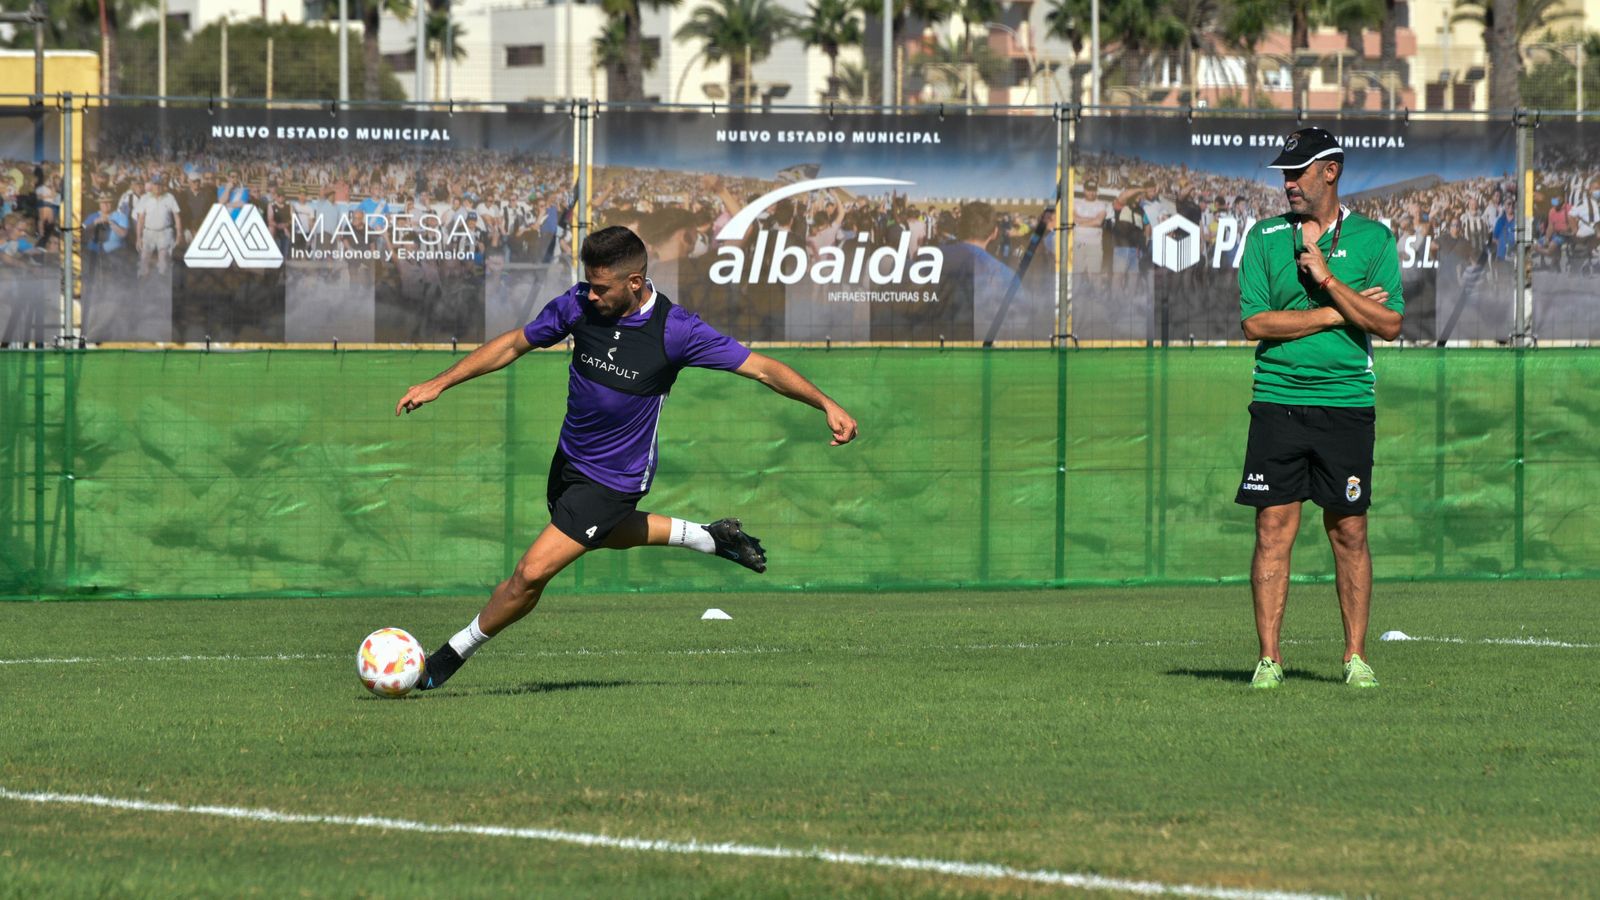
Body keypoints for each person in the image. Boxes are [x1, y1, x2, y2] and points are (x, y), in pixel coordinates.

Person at [394, 225, 859, 691]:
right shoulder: (577, 304)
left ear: (634, 283)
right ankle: (707, 538)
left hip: (614, 478)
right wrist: (440, 382)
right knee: (595, 535)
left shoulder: (675, 331)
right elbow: (516, 343)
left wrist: (826, 403)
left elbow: (762, 368)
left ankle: (445, 659)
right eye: (589, 284)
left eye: (602, 287)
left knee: (531, 573)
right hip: (569, 461)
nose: (591, 295)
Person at [1234, 127, 1404, 690]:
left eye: (1298, 172)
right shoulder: (1262, 238)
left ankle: (1355, 658)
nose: (1288, 183)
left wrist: (1327, 280)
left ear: (1329, 171)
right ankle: (1269, 660)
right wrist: (1339, 313)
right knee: (1272, 528)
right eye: (1284, 173)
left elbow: (1390, 324)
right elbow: (1256, 323)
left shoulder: (1375, 240)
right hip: (1278, 402)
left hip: (1346, 405)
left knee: (1349, 531)